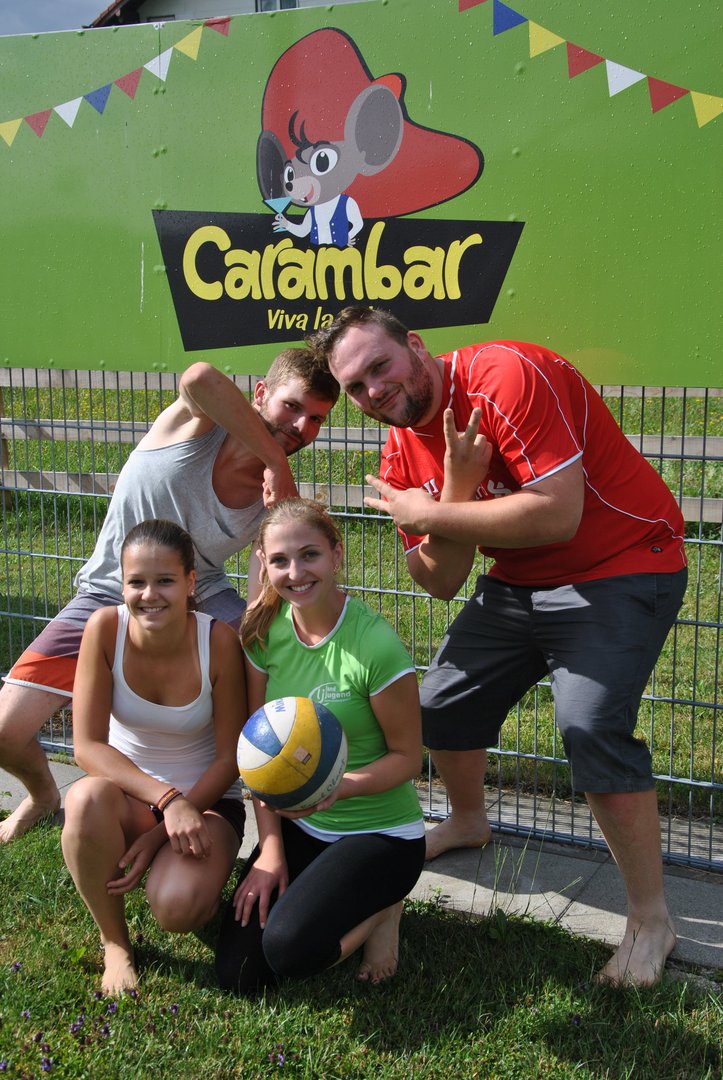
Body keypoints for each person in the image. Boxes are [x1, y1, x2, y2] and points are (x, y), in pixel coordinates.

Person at [310, 306, 688, 988]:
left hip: (624, 562)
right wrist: (454, 491)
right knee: (441, 705)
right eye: (355, 386)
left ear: (414, 345)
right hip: (518, 580)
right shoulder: (400, 450)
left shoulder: (505, 376)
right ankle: (467, 822)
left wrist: (430, 511)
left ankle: (650, 920)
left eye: (379, 366)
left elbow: (559, 511)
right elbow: (441, 580)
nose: (373, 391)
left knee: (590, 725)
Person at [0, 350, 339, 844]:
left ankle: (289, 821)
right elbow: (199, 377)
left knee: (276, 666)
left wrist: (262, 639)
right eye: (292, 407)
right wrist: (274, 459)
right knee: (6, 730)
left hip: (201, 595)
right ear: (261, 394)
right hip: (110, 592)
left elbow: (257, 593)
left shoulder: (273, 497)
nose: (302, 427)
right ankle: (44, 795)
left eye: (316, 419)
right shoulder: (199, 427)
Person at [214, 498, 425, 994]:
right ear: (263, 565)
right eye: (280, 560)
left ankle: (383, 914)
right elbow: (258, 755)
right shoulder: (263, 634)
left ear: (336, 555)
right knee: (240, 975)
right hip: (300, 824)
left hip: (381, 832)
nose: (296, 573)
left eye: (309, 555)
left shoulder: (375, 646)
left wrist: (339, 787)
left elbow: (407, 759)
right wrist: (270, 851)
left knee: (291, 951)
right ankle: (329, 895)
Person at [61, 519, 247, 995]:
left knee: (176, 909)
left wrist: (170, 822)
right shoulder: (104, 629)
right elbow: (87, 746)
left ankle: (190, 880)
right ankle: (115, 943)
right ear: (121, 584)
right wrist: (166, 801)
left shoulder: (218, 641)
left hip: (207, 804)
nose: (149, 595)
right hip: (132, 800)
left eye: (164, 580)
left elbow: (230, 759)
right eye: (136, 582)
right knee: (83, 800)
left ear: (190, 582)